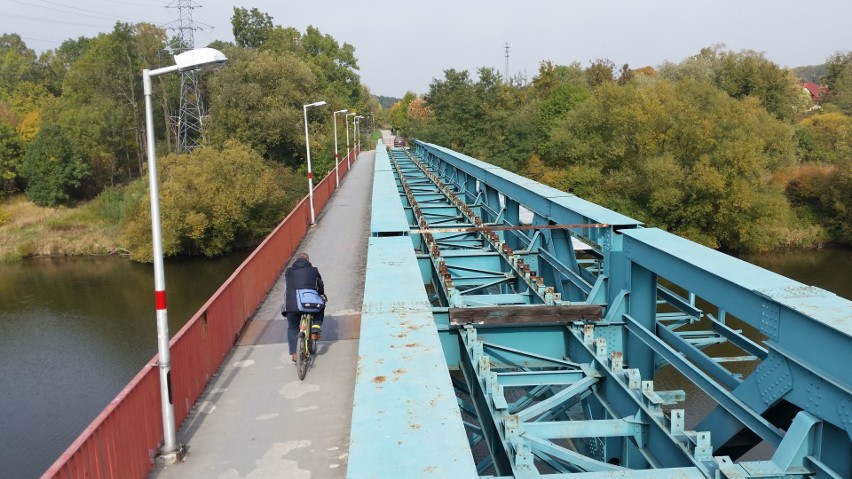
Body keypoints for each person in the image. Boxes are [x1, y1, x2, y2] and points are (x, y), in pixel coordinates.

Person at [282, 252, 326, 363]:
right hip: (309, 303)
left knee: (292, 327)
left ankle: (294, 353)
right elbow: (319, 285)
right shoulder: (314, 270)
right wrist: (321, 294)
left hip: (291, 305)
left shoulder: (288, 272)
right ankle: (315, 329)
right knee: (320, 308)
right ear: (308, 260)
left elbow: (287, 287)